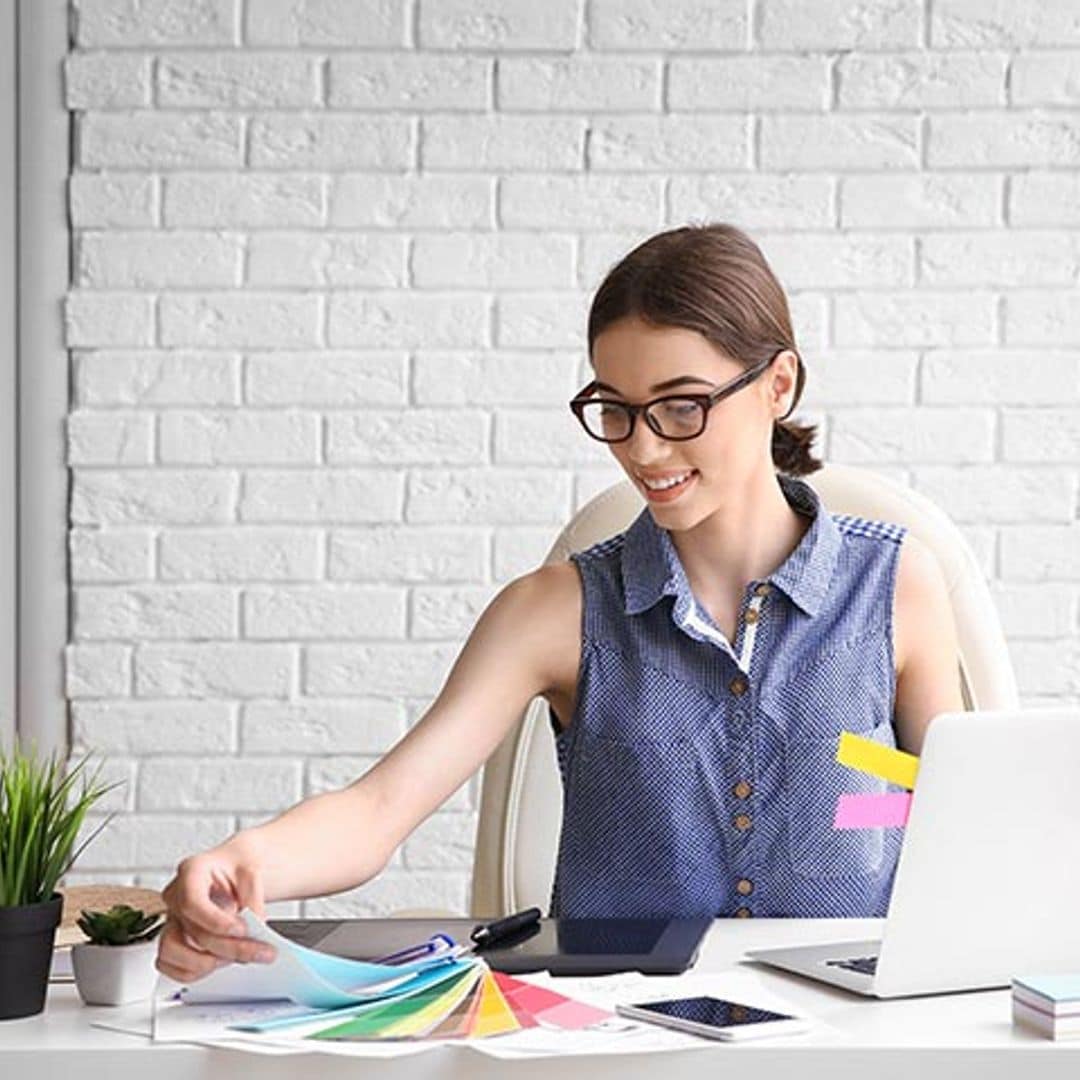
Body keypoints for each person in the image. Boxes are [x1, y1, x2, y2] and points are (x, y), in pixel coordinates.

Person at [155, 223, 965, 985]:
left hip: (846, 1030)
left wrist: (860, 793)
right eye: (616, 408)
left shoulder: (899, 587)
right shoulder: (553, 612)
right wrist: (245, 861)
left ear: (777, 384)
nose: (642, 449)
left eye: (682, 406)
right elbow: (377, 810)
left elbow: (953, 817)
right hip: (624, 1037)